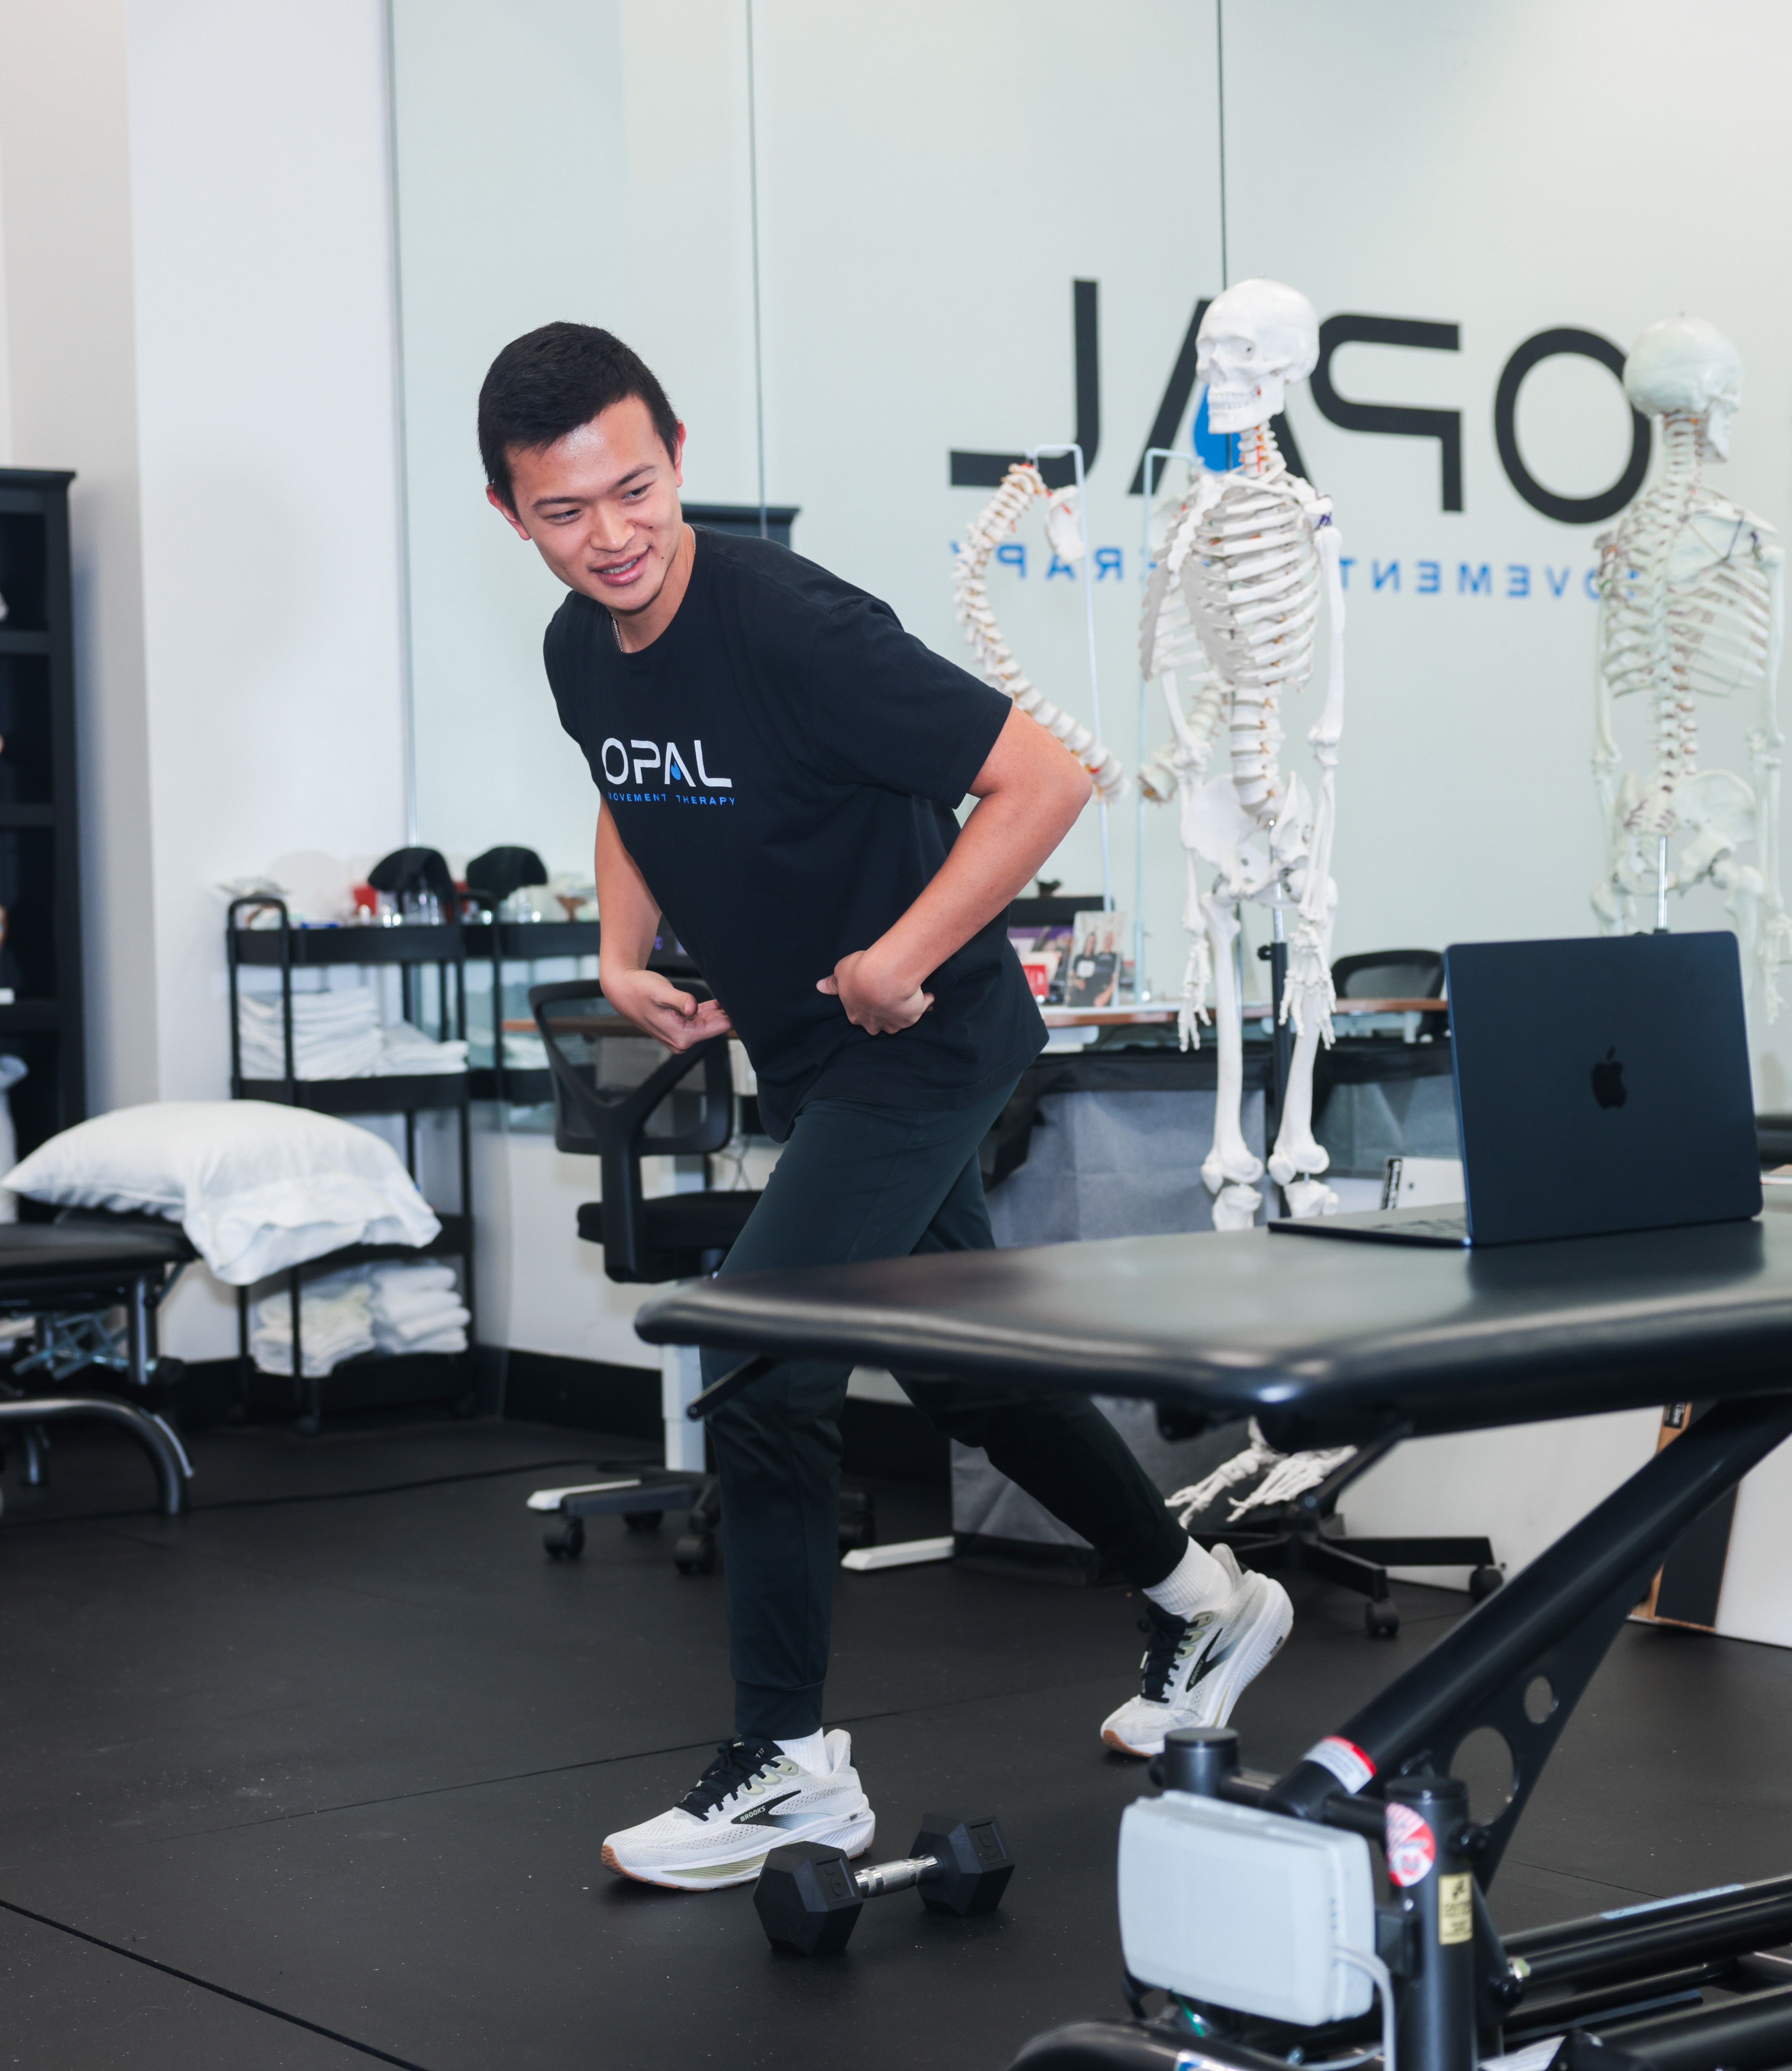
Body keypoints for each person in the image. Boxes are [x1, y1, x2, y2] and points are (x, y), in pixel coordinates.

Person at [479, 321, 1292, 1892]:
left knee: (769, 1357)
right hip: (813, 1054)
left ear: (678, 455)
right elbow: (625, 775)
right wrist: (618, 945)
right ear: (511, 514)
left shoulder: (789, 623)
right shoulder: (580, 643)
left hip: (928, 1034)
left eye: (633, 489)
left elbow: (1042, 780)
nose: (611, 536)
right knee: (964, 1373)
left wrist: (895, 957)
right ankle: (1206, 1599)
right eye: (565, 511)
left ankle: (790, 1766)